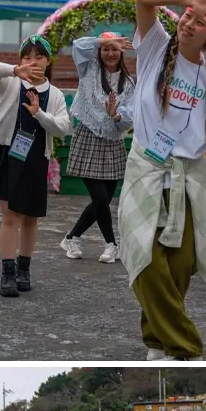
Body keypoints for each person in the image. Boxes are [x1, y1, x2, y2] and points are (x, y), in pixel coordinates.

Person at [118, 0, 206, 366]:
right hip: (147, 170)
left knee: (180, 265)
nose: (189, 24)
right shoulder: (156, 47)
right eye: (187, 16)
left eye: (200, 22)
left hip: (189, 179)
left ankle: (155, 343)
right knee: (146, 259)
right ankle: (186, 345)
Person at [0, 35, 70, 298]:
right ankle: (7, 272)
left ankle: (24, 269)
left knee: (30, 218)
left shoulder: (55, 94)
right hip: (8, 154)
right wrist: (15, 70)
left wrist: (38, 113)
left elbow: (62, 126)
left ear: (48, 60)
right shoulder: (8, 82)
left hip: (35, 158)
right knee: (9, 216)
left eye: (39, 56)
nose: (33, 62)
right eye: (27, 57)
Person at [60, 32, 136, 264]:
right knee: (100, 197)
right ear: (100, 50)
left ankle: (72, 237)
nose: (110, 53)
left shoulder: (130, 82)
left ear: (122, 52)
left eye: (115, 49)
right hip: (88, 135)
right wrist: (104, 40)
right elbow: (79, 45)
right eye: (106, 49)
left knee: (104, 199)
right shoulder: (88, 68)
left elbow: (130, 116)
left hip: (113, 140)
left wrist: (116, 115)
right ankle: (111, 244)